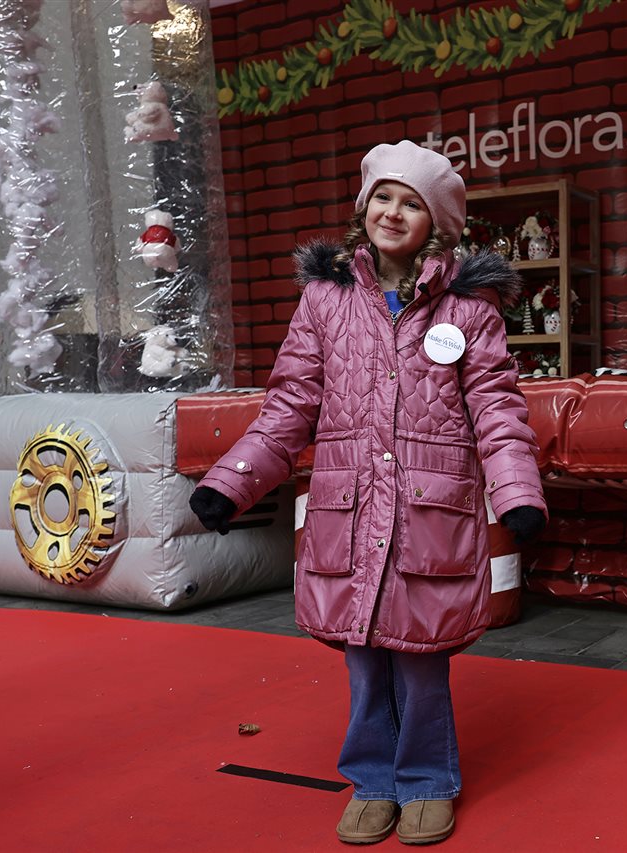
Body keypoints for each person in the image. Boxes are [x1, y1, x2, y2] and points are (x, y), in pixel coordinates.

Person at [189, 140, 547, 846]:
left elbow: (498, 409)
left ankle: (427, 781)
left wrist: (516, 493)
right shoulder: (326, 300)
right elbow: (290, 405)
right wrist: (231, 482)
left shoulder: (468, 313)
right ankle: (373, 779)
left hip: (427, 513)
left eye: (412, 202)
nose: (394, 210)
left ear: (437, 224)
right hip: (348, 513)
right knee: (362, 657)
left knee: (419, 659)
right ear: (362, 207)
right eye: (383, 196)